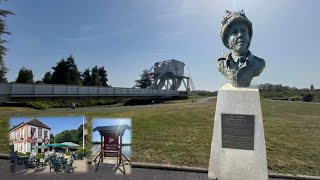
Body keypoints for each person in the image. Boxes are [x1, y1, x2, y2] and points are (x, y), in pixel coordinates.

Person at [217, 10, 265, 87]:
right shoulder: (221, 64)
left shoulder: (259, 63)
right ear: (227, 41)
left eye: (244, 31)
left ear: (249, 38)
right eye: (234, 32)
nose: (240, 35)